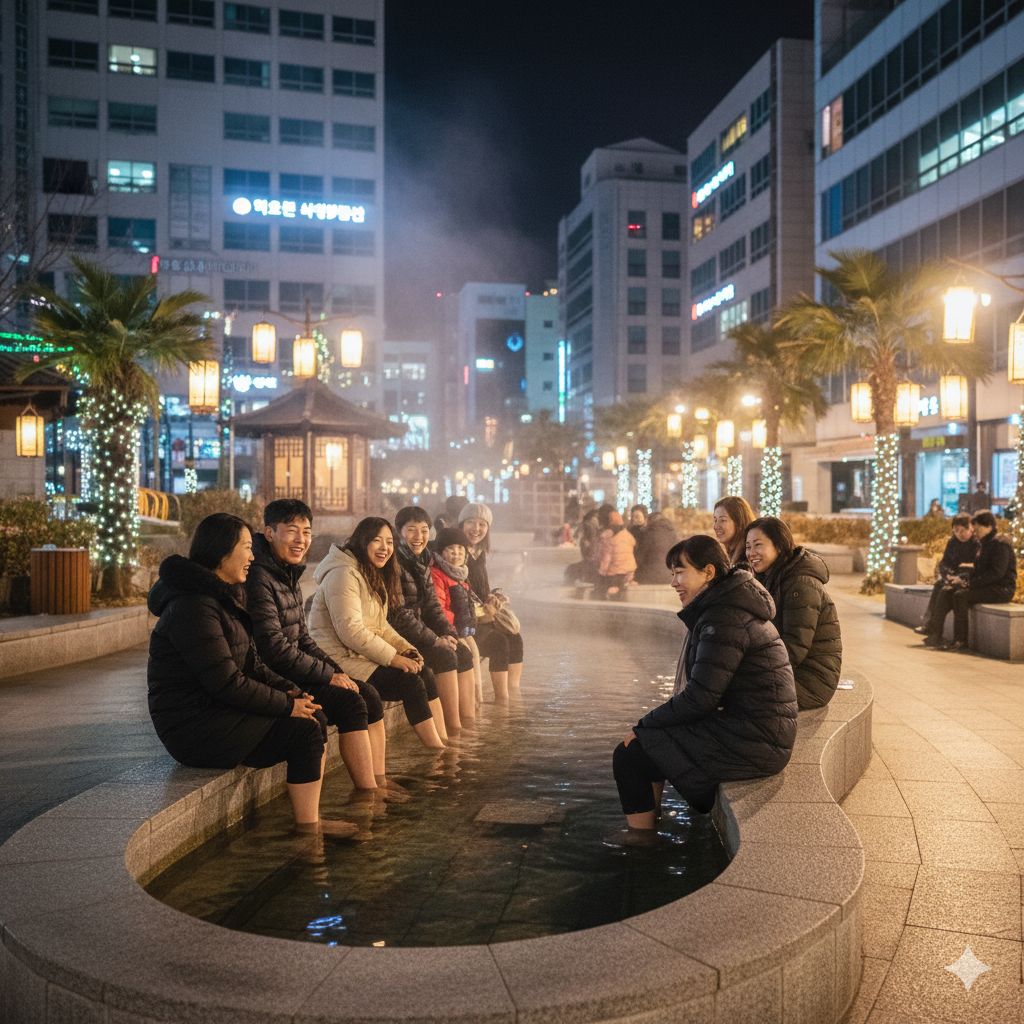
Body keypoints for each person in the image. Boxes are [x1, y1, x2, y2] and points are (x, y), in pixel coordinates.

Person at [147, 513, 359, 837]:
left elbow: (252, 663)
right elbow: (226, 682)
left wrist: (291, 692)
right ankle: (309, 829)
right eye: (246, 548)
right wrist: (288, 707)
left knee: (313, 715)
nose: (252, 556)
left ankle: (310, 817)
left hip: (215, 712)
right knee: (304, 731)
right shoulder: (193, 607)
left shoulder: (223, 597)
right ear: (221, 551)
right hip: (192, 728)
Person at [608, 534, 797, 846]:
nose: (674, 582)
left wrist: (644, 724)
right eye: (671, 574)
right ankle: (650, 825)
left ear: (709, 572)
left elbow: (700, 697)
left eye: (680, 572)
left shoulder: (724, 617)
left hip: (758, 741)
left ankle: (641, 842)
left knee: (629, 753)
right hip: (758, 730)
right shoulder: (726, 606)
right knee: (643, 748)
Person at [245, 498, 407, 804]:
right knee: (348, 701)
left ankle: (375, 780)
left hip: (294, 667)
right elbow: (273, 646)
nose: (301, 540)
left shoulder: (286, 571)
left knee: (365, 693)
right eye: (292, 531)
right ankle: (367, 795)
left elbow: (303, 638)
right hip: (274, 676)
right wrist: (327, 675)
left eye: (306, 532)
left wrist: (335, 672)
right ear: (269, 533)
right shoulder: (260, 576)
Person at [307, 518, 448, 747]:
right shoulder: (343, 575)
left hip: (359, 655)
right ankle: (435, 750)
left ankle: (443, 741)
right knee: (410, 683)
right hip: (339, 660)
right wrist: (393, 658)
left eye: (389, 542)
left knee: (424, 674)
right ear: (362, 542)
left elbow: (381, 626)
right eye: (377, 540)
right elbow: (351, 631)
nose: (385, 548)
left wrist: (406, 649)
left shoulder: (369, 573)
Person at [391, 506, 476, 730]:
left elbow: (431, 606)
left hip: (420, 633)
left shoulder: (423, 560)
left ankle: (469, 725)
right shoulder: (394, 563)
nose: (419, 537)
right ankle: (454, 729)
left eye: (424, 530)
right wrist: (434, 639)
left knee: (462, 651)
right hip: (400, 638)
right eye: (411, 530)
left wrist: (449, 633)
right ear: (399, 532)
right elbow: (399, 615)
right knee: (445, 656)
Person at [744, 516, 842, 709]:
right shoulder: (771, 577)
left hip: (812, 681)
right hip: (790, 672)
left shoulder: (801, 584)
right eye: (747, 546)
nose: (751, 553)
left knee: (738, 693)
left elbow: (795, 647)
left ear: (779, 546)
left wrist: (753, 670)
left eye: (758, 545)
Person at [925, 511, 1016, 651]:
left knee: (961, 596)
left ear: (989, 526)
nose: (975, 531)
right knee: (946, 592)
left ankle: (960, 641)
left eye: (977, 528)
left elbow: (996, 573)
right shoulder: (984, 544)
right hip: (985, 586)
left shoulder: (1000, 544)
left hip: (1001, 589)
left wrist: (969, 584)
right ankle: (936, 635)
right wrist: (960, 580)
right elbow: (978, 571)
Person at [460, 502, 525, 695]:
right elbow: (458, 595)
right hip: (466, 623)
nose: (476, 528)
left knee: (515, 638)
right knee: (498, 642)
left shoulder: (479, 553)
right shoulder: (457, 554)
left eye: (482, 524)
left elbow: (480, 591)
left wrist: (492, 599)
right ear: (461, 524)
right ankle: (502, 701)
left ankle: (513, 693)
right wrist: (482, 614)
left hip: (482, 617)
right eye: (470, 522)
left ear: (488, 529)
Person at [915, 513, 979, 642]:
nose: (960, 534)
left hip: (967, 580)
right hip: (953, 577)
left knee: (944, 590)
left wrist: (960, 578)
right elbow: (944, 563)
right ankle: (932, 628)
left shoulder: (977, 544)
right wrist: (947, 575)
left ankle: (933, 629)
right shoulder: (953, 542)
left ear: (971, 528)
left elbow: (977, 567)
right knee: (939, 585)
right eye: (956, 531)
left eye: (963, 530)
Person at [595, 507, 637, 600]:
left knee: (599, 586)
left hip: (615, 574)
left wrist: (601, 573)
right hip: (630, 572)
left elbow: (606, 559)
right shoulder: (627, 534)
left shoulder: (608, 537)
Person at [633, 511, 679, 585]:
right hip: (670, 576)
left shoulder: (648, 534)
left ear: (649, 521)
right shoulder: (673, 534)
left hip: (651, 576)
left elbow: (640, 557)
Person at [713, 496, 755, 567]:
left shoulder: (748, 557)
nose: (716, 527)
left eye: (723, 520)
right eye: (715, 520)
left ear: (739, 522)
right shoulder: (733, 553)